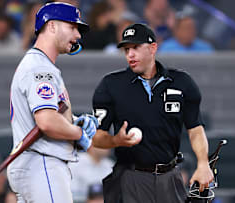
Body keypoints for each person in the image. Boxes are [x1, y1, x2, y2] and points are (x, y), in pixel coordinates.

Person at [91, 23, 213, 203]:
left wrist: (203, 163)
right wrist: (116, 140)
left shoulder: (181, 82)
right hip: (130, 176)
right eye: (126, 49)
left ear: (153, 48)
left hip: (170, 176)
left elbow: (195, 128)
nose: (130, 54)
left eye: (136, 47)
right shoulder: (111, 85)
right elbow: (97, 137)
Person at [6, 2, 98, 203]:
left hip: (37, 164)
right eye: (72, 27)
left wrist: (73, 121)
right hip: (42, 163)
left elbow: (51, 114)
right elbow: (46, 122)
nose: (78, 35)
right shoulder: (40, 69)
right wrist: (78, 134)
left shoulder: (41, 65)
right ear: (52, 26)